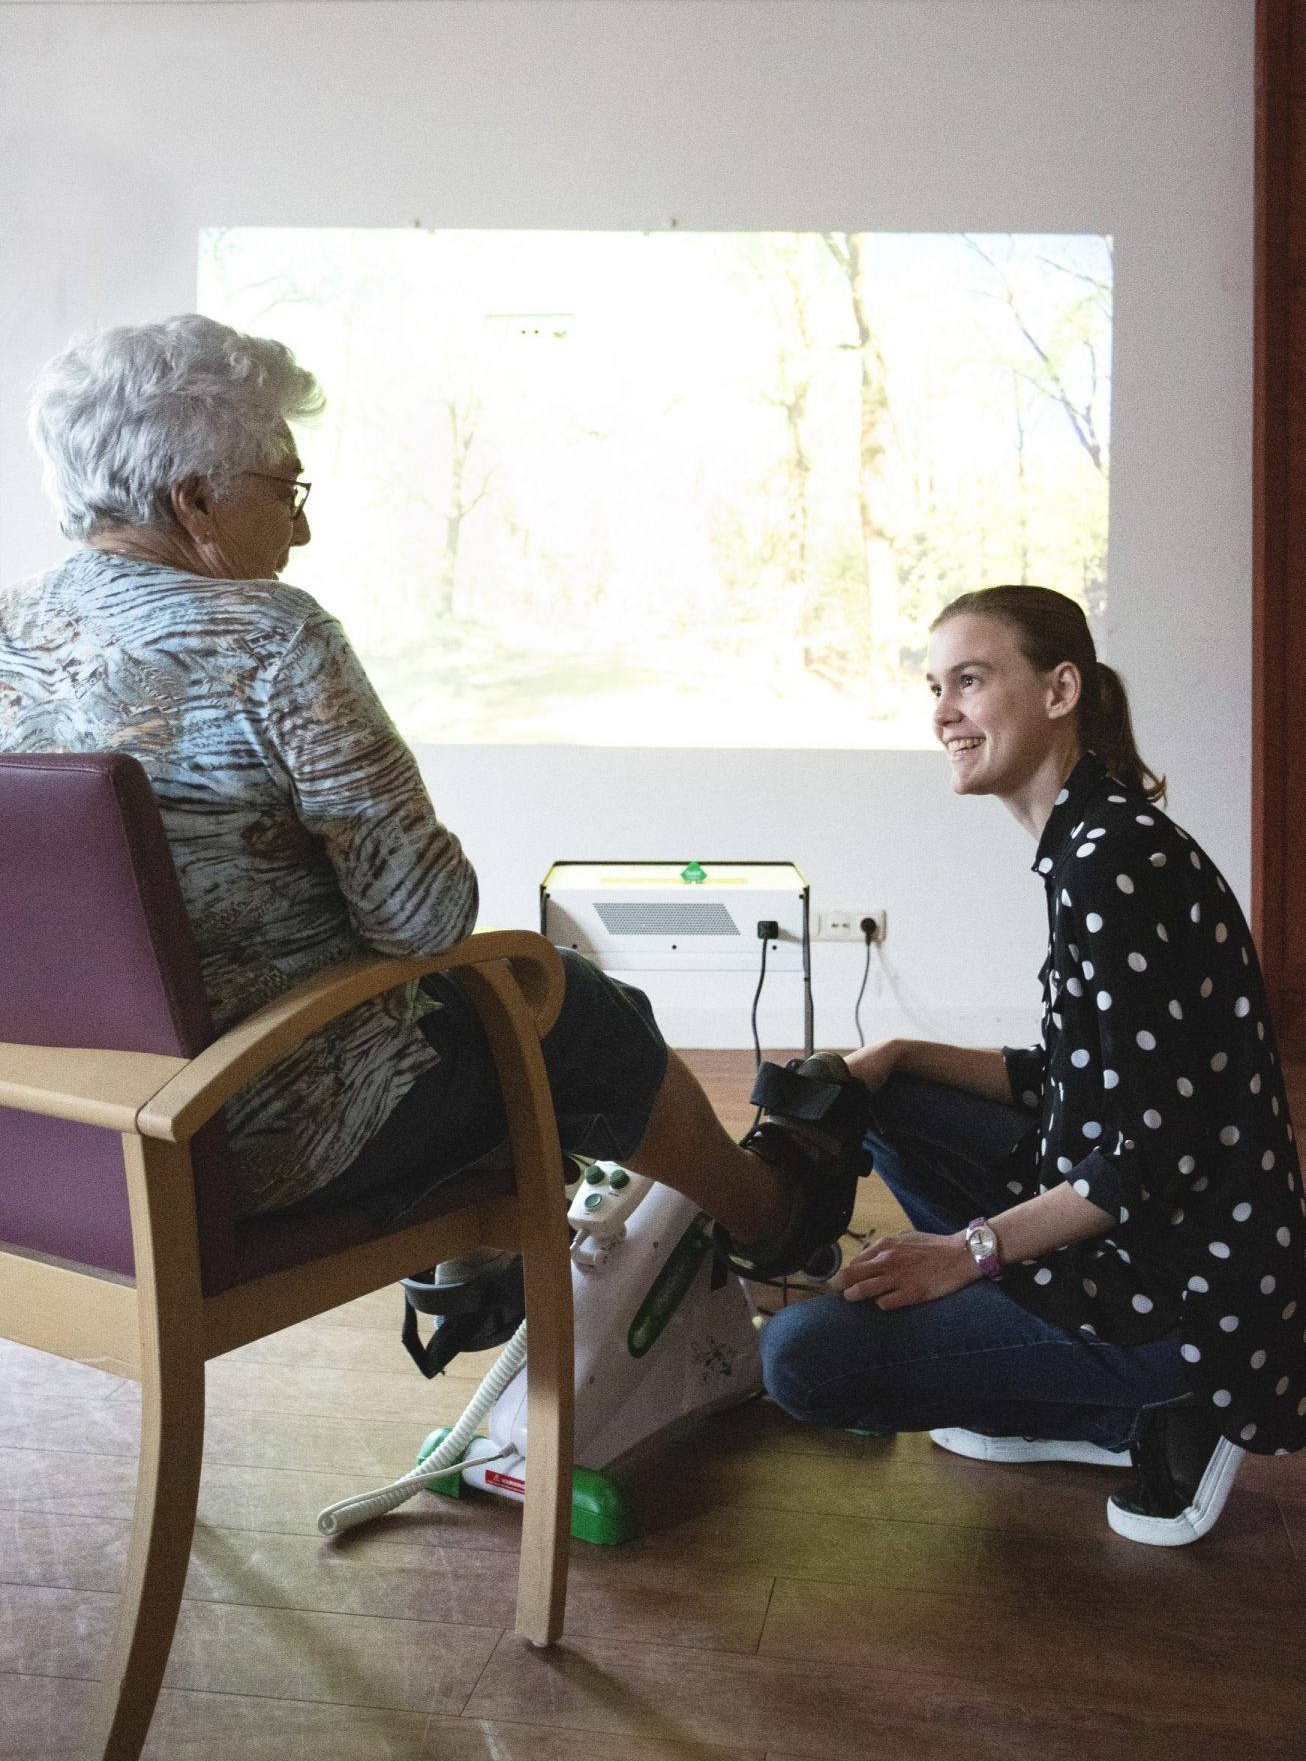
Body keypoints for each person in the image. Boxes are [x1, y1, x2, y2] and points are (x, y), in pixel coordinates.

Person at [0, 314, 863, 1276]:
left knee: (480, 1017)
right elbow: (423, 919)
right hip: (252, 1138)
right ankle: (771, 1221)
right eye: (287, 489)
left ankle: (482, 1279)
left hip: (46, 1135)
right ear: (195, 497)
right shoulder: (272, 634)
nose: (304, 525)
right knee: (567, 1004)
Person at [760, 585, 1306, 1546]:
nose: (943, 713)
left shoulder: (1109, 862)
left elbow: (1148, 1154)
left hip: (1181, 1289)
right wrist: (897, 1054)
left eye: (970, 681)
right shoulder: (1095, 838)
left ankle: (1145, 1406)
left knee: (806, 1360)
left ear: (1062, 689)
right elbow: (1082, 1076)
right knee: (883, 1093)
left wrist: (963, 1253)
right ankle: (1054, 1384)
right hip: (1145, 1224)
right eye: (936, 687)